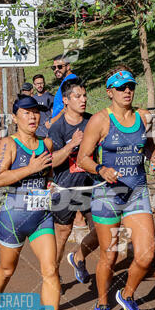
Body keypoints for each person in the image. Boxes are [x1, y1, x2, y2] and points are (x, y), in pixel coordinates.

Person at [77, 65, 155, 310]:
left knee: (147, 255)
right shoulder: (100, 121)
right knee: (110, 256)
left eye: (131, 86)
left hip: (136, 191)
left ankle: (126, 295)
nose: (127, 91)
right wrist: (101, 168)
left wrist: (154, 160)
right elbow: (83, 158)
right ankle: (102, 304)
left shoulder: (145, 117)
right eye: (121, 87)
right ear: (109, 92)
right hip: (108, 194)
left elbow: (147, 145)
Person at [0, 95, 67, 310]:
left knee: (51, 270)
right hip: (13, 217)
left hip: (41, 216)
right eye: (26, 112)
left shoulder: (47, 144)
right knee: (7, 270)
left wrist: (51, 186)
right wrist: (31, 169)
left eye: (36, 112)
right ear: (15, 118)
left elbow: (48, 176)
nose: (33, 116)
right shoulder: (8, 144)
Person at [49, 77, 99, 282]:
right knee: (62, 234)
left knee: (101, 231)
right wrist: (72, 144)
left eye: (85, 95)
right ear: (66, 100)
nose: (83, 99)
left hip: (91, 185)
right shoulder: (57, 128)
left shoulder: (93, 121)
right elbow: (51, 162)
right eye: (77, 96)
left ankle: (78, 256)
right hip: (65, 187)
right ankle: (53, 274)